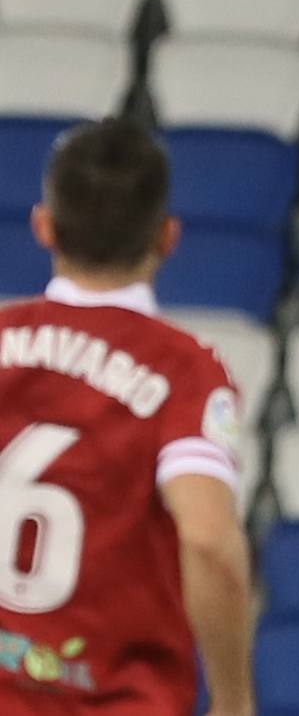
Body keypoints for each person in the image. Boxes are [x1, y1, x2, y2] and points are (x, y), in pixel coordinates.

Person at [0, 119, 255, 715]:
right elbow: (208, 539)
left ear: (43, 226)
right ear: (168, 237)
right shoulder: (184, 372)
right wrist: (234, 700)